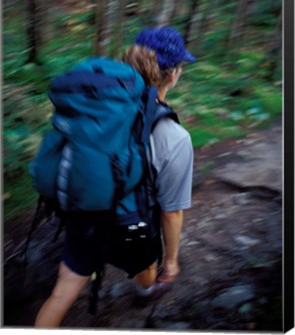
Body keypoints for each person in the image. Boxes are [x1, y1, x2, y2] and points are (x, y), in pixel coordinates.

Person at [35, 26, 195, 328]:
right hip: (130, 227)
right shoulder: (175, 138)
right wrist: (171, 262)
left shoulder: (95, 112)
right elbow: (172, 213)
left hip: (85, 215)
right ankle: (146, 290)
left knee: (62, 292)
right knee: (147, 269)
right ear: (173, 75)